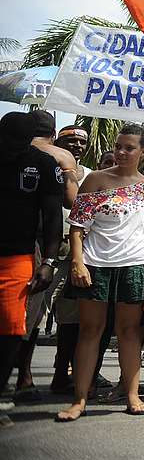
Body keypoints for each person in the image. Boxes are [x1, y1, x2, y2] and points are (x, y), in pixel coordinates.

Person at [56, 124, 144, 421]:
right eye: (119, 146)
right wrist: (78, 262)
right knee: (90, 331)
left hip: (135, 263)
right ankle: (79, 400)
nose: (121, 152)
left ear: (143, 152)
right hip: (95, 264)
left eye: (129, 148)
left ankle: (132, 395)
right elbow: (77, 226)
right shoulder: (94, 180)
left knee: (130, 332)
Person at [0, 112, 60, 427]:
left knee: (12, 330)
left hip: (18, 258)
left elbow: (53, 217)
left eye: (20, 143)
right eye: (8, 142)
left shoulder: (43, 165)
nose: (14, 148)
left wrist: (48, 263)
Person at [49, 126, 92, 395]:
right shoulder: (45, 167)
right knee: (35, 314)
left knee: (70, 318)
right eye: (70, 141)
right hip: (48, 250)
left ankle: (62, 372)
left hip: (78, 253)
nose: (76, 146)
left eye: (81, 142)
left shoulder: (88, 176)